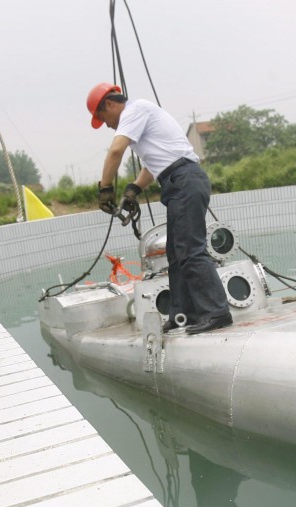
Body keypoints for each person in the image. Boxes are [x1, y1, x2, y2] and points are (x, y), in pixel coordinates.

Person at [87, 82, 232, 335]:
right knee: (176, 253)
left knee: (190, 249)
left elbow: (115, 151)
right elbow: (156, 164)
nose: (108, 125)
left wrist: (105, 188)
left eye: (104, 118)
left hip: (184, 180)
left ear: (109, 104)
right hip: (177, 181)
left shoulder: (135, 110)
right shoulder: (142, 118)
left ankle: (216, 312)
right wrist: (134, 188)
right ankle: (183, 314)